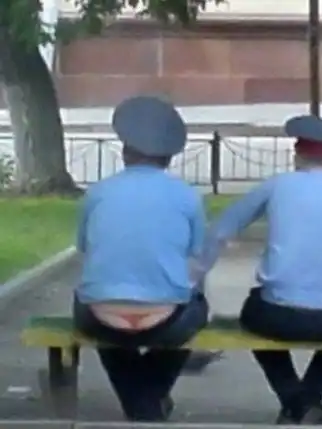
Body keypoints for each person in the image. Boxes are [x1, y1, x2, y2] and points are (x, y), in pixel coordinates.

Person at [196, 115, 322, 425]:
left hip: (277, 315)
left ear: (297, 157)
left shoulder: (277, 186)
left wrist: (195, 276)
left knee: (252, 319)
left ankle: (296, 402)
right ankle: (307, 401)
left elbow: (221, 231)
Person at [73, 95, 211, 421]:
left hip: (100, 316)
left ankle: (143, 406)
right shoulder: (187, 196)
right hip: (165, 318)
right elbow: (197, 254)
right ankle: (148, 405)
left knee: (107, 332)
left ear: (124, 151)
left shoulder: (97, 192)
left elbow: (84, 247)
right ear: (169, 157)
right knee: (196, 313)